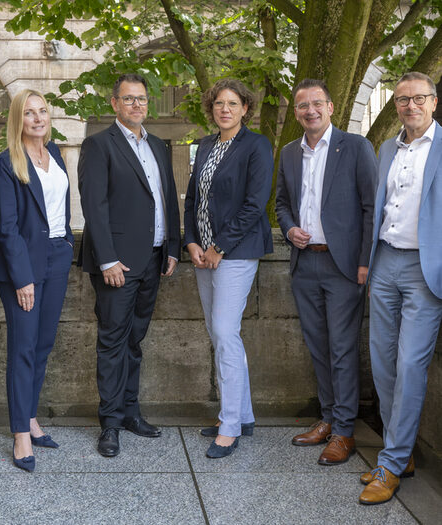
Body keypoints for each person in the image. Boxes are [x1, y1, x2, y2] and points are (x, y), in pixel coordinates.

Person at [78, 73, 180, 457]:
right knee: (112, 342)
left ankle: (131, 412)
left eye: (141, 99)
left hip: (154, 259)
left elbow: (166, 198)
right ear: (114, 103)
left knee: (135, 342)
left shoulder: (157, 144)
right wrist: (107, 258)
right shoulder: (98, 145)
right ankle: (110, 424)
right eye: (128, 99)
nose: (136, 105)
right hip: (117, 264)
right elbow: (94, 206)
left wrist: (171, 248)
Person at [276, 79, 377, 465]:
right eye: (302, 105)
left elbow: (371, 207)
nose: (310, 111)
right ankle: (329, 417)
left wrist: (365, 262)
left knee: (342, 349)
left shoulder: (355, 147)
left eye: (317, 103)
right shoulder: (288, 153)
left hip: (343, 265)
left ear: (331, 107)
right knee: (318, 347)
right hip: (305, 264)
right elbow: (282, 203)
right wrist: (288, 228)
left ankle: (345, 431)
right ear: (297, 112)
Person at [359, 72, 442, 505]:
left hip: (426, 269)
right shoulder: (388, 148)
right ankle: (401, 452)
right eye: (402, 100)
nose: (410, 106)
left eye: (418, 99)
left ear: (433, 101)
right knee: (382, 364)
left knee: (411, 365)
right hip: (386, 261)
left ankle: (389, 465)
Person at [184, 79, 273, 458]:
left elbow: (255, 205)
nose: (225, 109)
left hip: (234, 253)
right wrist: (190, 241)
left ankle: (231, 425)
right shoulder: (205, 145)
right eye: (219, 103)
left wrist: (219, 246)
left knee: (224, 331)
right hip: (202, 254)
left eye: (233, 104)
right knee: (221, 335)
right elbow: (192, 198)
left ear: (245, 109)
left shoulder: (256, 146)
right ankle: (244, 415)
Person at [0, 89, 74, 472]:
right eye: (29, 113)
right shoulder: (6, 163)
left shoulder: (54, 154)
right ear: (17, 120)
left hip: (57, 257)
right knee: (23, 348)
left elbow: (60, 208)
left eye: (42, 111)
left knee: (43, 345)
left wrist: (68, 245)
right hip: (23, 266)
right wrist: (22, 278)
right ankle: (20, 433)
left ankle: (32, 417)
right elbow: (7, 229)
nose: (38, 118)